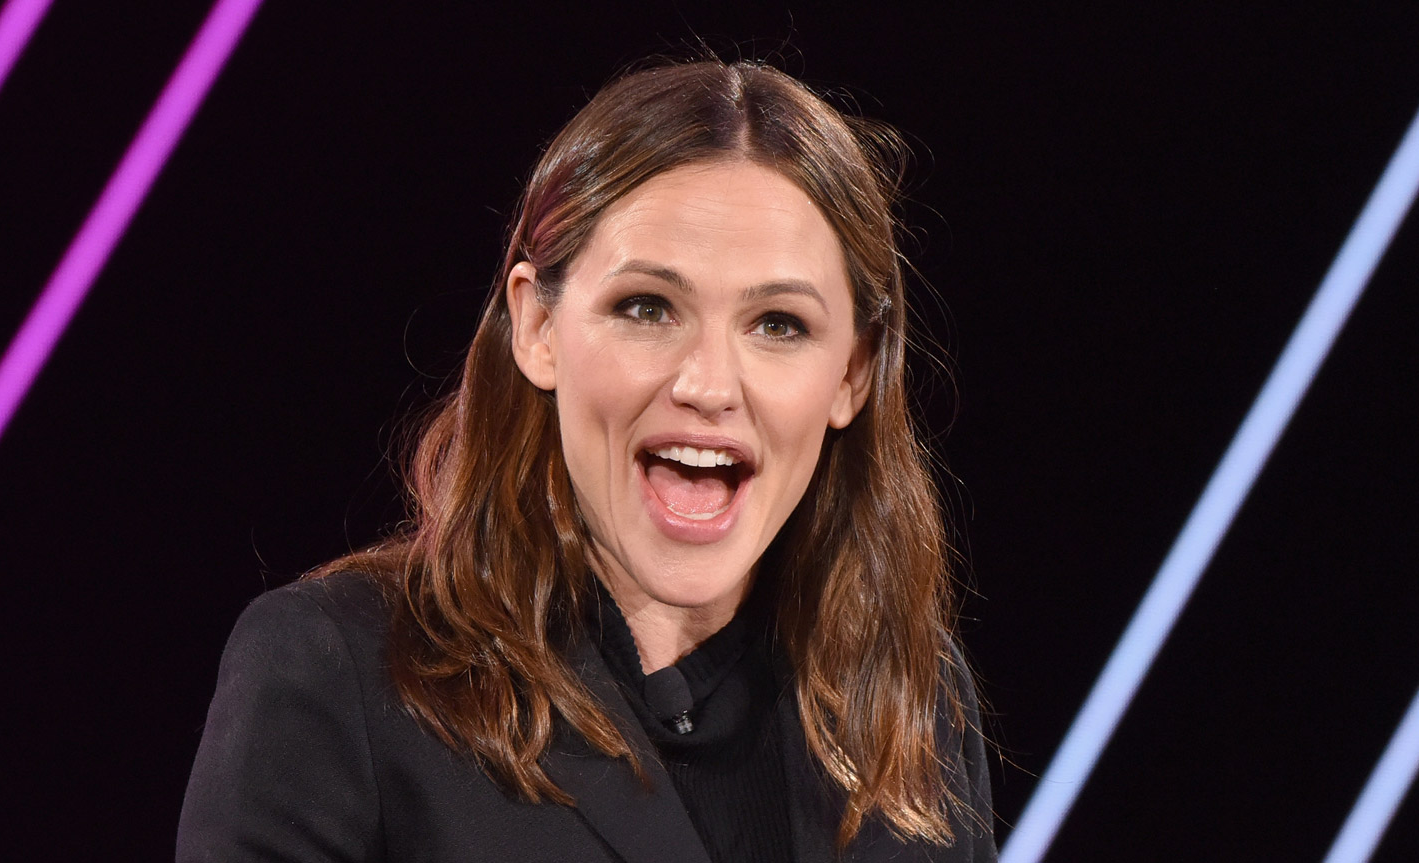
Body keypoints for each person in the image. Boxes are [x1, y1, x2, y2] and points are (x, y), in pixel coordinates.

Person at [178, 58, 995, 862]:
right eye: (647, 308)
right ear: (537, 327)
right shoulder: (342, 673)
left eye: (779, 324)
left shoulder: (907, 698)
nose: (710, 385)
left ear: (852, 372)